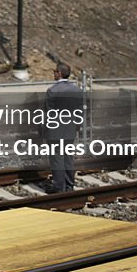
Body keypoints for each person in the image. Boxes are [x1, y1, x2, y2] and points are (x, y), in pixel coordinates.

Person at [45, 62, 83, 193]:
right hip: (70, 129)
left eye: (54, 71)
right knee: (68, 157)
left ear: (59, 73)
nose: (54, 74)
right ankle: (69, 185)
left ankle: (58, 187)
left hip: (55, 130)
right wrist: (77, 126)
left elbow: (48, 113)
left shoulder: (52, 91)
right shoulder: (76, 90)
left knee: (57, 158)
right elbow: (79, 112)